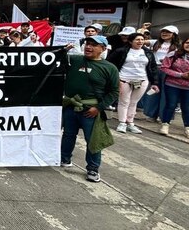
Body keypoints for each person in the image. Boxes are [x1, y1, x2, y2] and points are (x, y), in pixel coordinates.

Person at [61, 35, 119, 183]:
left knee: (93, 140)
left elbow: (114, 92)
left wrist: (99, 108)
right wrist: (61, 51)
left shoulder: (109, 68)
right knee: (68, 135)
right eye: (87, 43)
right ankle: (64, 158)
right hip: (70, 107)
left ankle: (93, 169)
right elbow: (53, 61)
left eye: (94, 45)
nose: (88, 47)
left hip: (91, 110)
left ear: (103, 49)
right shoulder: (74, 60)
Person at [108, 32, 158, 134]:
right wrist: (116, 78)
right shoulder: (121, 51)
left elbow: (153, 67)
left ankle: (130, 123)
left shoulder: (148, 52)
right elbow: (109, 63)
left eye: (142, 40)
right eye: (137, 40)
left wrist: (154, 82)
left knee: (133, 102)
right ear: (130, 41)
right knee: (124, 101)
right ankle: (122, 123)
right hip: (124, 79)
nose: (140, 42)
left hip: (142, 80)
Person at [143, 25, 181, 122]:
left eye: (168, 32)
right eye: (163, 31)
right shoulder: (155, 42)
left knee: (167, 93)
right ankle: (151, 114)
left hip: (169, 71)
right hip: (155, 69)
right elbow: (139, 39)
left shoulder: (179, 46)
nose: (164, 33)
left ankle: (164, 116)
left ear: (174, 34)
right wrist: (143, 29)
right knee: (153, 91)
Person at [158, 36, 189, 137]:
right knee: (170, 105)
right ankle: (165, 125)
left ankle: (188, 128)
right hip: (172, 84)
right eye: (187, 42)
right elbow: (164, 68)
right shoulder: (174, 54)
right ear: (183, 43)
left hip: (188, 87)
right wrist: (180, 75)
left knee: (187, 108)